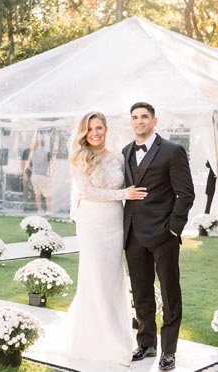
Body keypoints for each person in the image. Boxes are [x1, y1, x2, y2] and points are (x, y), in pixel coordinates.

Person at [61, 111, 147, 365]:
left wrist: (126, 196)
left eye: (99, 128)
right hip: (92, 222)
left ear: (106, 129)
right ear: (84, 133)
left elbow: (128, 186)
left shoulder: (118, 157)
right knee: (95, 278)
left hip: (114, 222)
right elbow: (88, 192)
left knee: (113, 279)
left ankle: (119, 337)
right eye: (90, 129)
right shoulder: (79, 157)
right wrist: (124, 194)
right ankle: (99, 341)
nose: (95, 133)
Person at [121, 102, 195, 371]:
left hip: (163, 234)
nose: (139, 121)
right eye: (134, 117)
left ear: (154, 120)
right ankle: (147, 343)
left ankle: (170, 351)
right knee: (141, 294)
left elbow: (185, 193)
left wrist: (173, 228)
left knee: (170, 293)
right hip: (133, 235)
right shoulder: (125, 151)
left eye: (144, 117)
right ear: (131, 122)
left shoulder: (173, 151)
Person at [24, 139, 52, 213]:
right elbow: (51, 164)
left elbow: (28, 166)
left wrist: (33, 170)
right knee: (48, 194)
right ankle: (48, 210)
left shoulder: (32, 153)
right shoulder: (47, 153)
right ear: (44, 145)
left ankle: (40, 210)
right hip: (43, 176)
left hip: (34, 176)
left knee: (37, 193)